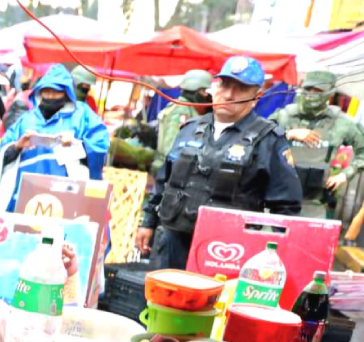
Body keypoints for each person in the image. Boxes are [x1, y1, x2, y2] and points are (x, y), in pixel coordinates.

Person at [137, 56, 302, 269]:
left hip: (228, 252)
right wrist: (147, 222)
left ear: (257, 96)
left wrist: (274, 256)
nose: (229, 94)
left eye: (241, 88)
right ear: (215, 88)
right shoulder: (190, 128)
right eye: (225, 85)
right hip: (172, 241)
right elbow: (164, 182)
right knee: (161, 300)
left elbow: (286, 207)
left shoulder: (268, 139)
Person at [0, 64, 110, 212]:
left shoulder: (83, 117)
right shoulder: (26, 120)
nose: (50, 96)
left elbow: (100, 149)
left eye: (56, 92)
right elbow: (3, 152)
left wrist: (77, 145)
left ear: (66, 93)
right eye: (46, 92)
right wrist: (17, 146)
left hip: (66, 197)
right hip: (24, 197)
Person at [272, 70, 364, 221]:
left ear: (330, 93)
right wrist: (289, 133)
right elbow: (258, 142)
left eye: (318, 91)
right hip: (277, 197)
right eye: (309, 89)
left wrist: (344, 175)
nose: (312, 94)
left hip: (316, 201)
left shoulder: (342, 123)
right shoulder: (284, 116)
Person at [154, 69, 212, 175]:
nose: (205, 95)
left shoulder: (179, 106)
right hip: (169, 171)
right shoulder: (182, 111)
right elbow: (171, 147)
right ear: (195, 90)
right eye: (203, 91)